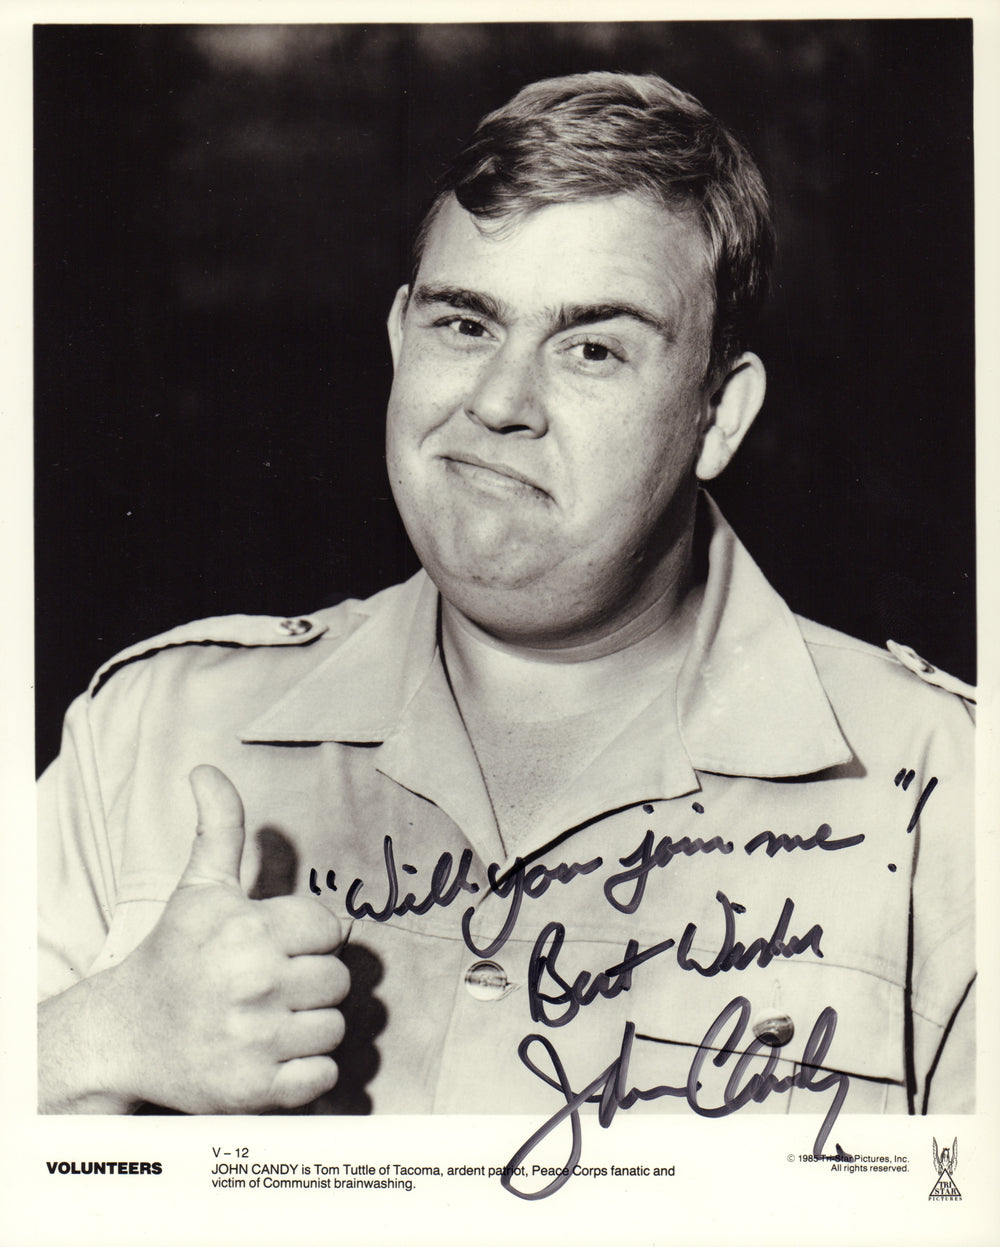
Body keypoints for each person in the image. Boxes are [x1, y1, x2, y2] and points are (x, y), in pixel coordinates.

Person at [38, 72, 974, 1131]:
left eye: (591, 348)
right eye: (466, 325)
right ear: (400, 340)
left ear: (718, 415)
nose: (497, 402)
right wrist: (95, 1041)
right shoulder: (151, 735)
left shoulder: (942, 797)